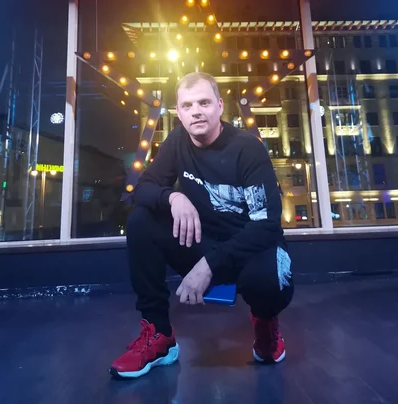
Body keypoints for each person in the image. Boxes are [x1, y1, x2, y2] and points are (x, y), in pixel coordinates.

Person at [110, 72, 293, 379]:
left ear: (220, 106)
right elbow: (142, 189)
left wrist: (208, 266)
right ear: (179, 113)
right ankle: (159, 335)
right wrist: (173, 197)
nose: (196, 111)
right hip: (204, 241)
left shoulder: (248, 148)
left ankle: (265, 321)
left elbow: (266, 225)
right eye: (188, 105)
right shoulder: (177, 141)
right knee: (140, 221)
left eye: (204, 102)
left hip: (250, 247)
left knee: (270, 282)